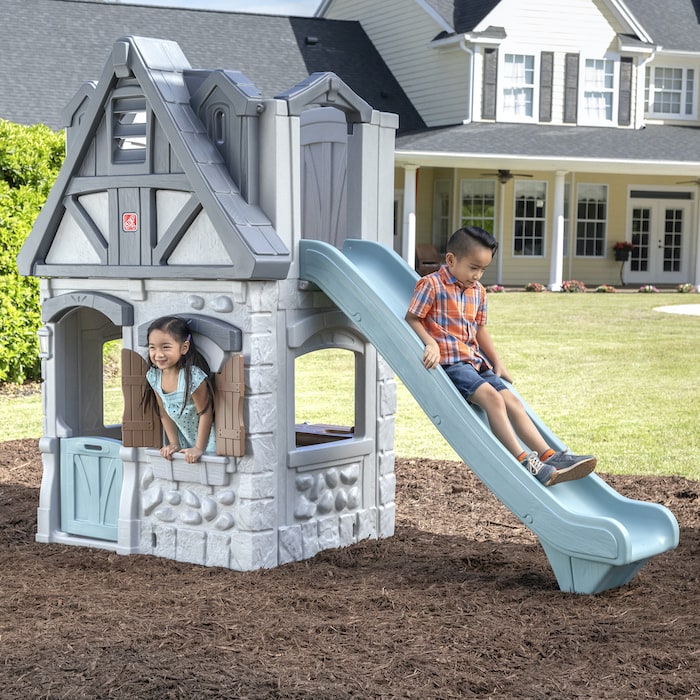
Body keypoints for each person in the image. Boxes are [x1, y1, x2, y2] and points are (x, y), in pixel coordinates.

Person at [405, 226, 596, 486]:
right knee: (494, 400)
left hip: (475, 361)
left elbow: (480, 329)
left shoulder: (478, 291)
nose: (478, 275)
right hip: (453, 364)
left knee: (513, 402)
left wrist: (497, 362)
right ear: (451, 260)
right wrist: (431, 344)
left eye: (483, 269)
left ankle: (550, 456)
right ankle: (523, 461)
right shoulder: (431, 285)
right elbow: (413, 317)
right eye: (473, 268)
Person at [142, 316, 216, 463]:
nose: (158, 354)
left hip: (208, 441)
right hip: (184, 441)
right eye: (152, 347)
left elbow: (205, 414)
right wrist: (174, 443)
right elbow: (164, 412)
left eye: (166, 347)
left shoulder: (192, 377)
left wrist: (199, 448)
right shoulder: (154, 377)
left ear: (184, 348)